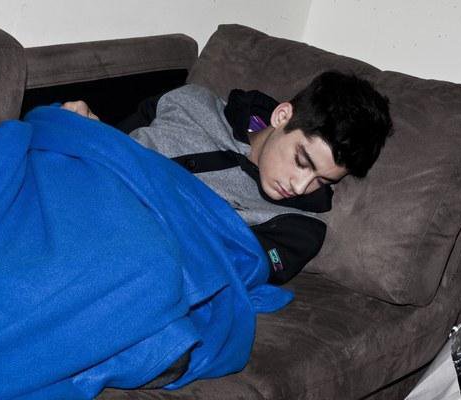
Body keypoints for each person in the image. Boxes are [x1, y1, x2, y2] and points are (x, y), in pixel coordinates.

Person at [61, 71, 393, 285]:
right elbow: (115, 145)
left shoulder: (299, 228)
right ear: (282, 116)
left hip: (118, 259)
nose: (299, 186)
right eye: (301, 160)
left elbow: (221, 270)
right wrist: (88, 128)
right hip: (75, 197)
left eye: (322, 181)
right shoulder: (190, 102)